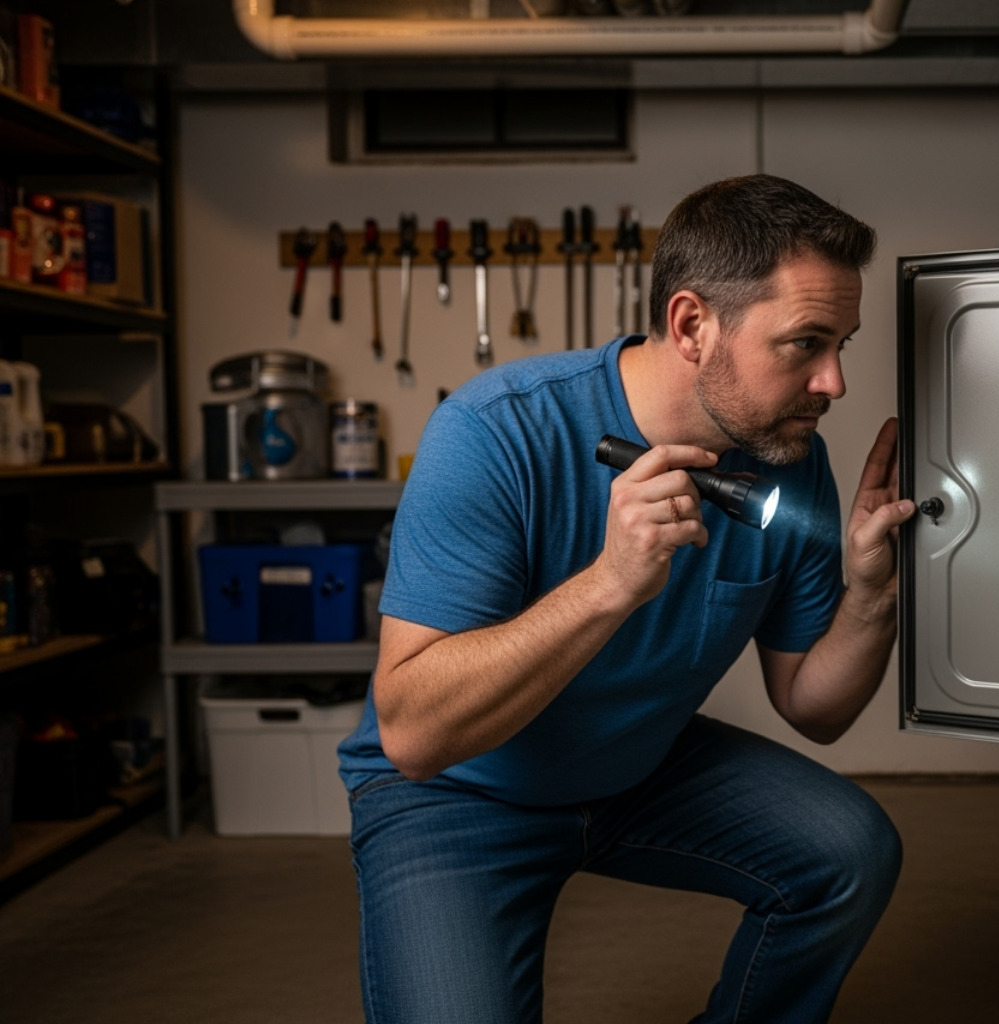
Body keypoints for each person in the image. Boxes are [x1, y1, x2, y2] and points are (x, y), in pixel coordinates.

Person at [337, 173, 917, 1024]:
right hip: (461, 790)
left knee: (851, 853)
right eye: (804, 344)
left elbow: (813, 707)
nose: (833, 382)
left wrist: (870, 599)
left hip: (637, 764)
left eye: (843, 345)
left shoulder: (789, 458)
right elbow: (417, 734)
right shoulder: (496, 431)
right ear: (692, 325)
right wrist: (609, 585)